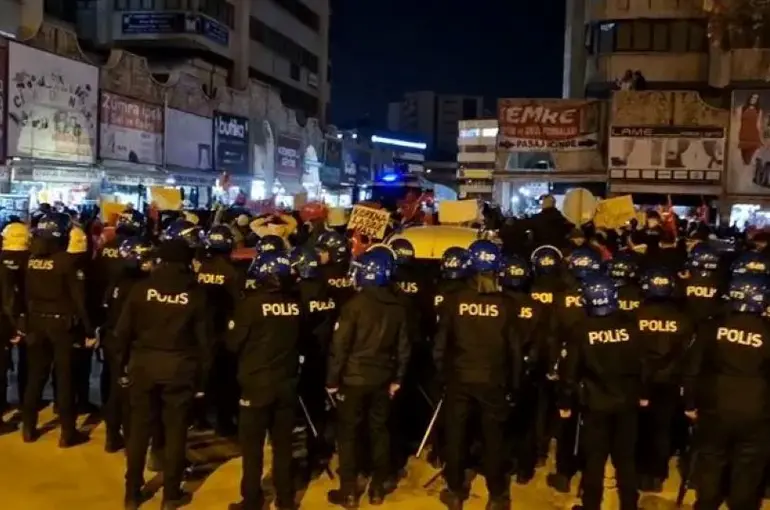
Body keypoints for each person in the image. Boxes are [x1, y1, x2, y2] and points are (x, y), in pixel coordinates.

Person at [114, 227, 212, 510]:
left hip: (143, 365)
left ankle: (132, 492)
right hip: (180, 368)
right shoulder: (196, 294)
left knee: (138, 431)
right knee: (176, 432)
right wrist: (202, 381)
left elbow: (122, 332)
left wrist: (121, 368)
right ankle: (170, 493)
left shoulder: (141, 289)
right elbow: (205, 342)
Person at [433, 239, 522, 510]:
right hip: (494, 380)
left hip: (459, 378)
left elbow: (440, 346)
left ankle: (455, 490)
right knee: (494, 439)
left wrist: (442, 377)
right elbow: (515, 351)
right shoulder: (506, 304)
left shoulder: (454, 300)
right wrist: (514, 386)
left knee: (456, 436)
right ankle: (497, 495)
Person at [326, 250, 411, 509]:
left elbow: (340, 346)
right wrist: (398, 378)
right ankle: (377, 488)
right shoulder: (397, 307)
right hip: (382, 379)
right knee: (379, 431)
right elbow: (404, 348)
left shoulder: (353, 306)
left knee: (348, 435)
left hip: (353, 380)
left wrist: (332, 380)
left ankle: (349, 490)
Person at [683, 274, 770, 510]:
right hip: (756, 410)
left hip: (715, 405)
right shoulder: (767, 331)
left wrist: (690, 403)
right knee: (747, 469)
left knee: (711, 462)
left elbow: (692, 369)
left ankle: (707, 504)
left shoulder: (712, 326)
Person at [559, 274, 645, 510]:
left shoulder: (581, 330)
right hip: (626, 402)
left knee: (594, 460)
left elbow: (570, 372)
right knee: (625, 459)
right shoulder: (630, 325)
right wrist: (643, 393)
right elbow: (643, 364)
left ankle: (591, 505)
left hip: (595, 404)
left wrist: (565, 402)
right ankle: (629, 505)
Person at [227, 251, 302, 510]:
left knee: (253, 449)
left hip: (256, 385)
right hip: (286, 385)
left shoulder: (250, 305)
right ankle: (285, 499)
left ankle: (251, 500)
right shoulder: (295, 305)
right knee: (283, 447)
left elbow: (233, 343)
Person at [21, 213, 94, 447]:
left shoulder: (32, 260)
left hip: (36, 321)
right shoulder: (67, 262)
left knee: (35, 376)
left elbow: (25, 294)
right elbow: (79, 299)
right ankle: (67, 432)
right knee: (65, 379)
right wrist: (89, 329)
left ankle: (28, 427)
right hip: (62, 325)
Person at [635, 268, 693, 492]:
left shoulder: (636, 315)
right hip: (670, 380)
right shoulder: (683, 318)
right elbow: (686, 352)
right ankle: (657, 475)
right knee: (662, 429)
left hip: (641, 379)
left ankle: (640, 472)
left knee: (641, 427)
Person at [100, 237, 155, 453]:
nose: (151, 263)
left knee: (115, 391)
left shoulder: (118, 279)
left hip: (113, 339)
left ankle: (112, 436)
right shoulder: (140, 286)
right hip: (130, 343)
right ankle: (132, 438)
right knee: (133, 396)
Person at [195, 224, 242, 436]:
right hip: (223, 332)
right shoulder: (232, 271)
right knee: (225, 378)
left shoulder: (200, 268)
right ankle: (224, 421)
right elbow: (238, 304)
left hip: (200, 330)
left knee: (202, 376)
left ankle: (199, 417)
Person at [0, 222, 29, 426]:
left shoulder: (3, 259)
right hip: (12, 320)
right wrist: (17, 326)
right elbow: (10, 298)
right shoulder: (27, 260)